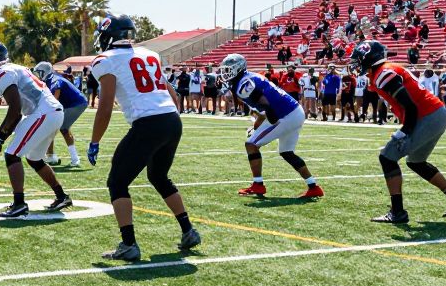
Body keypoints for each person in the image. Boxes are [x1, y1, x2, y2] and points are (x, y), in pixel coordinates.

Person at [87, 14, 200, 261]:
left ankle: (129, 244)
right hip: (171, 119)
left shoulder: (105, 60)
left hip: (148, 123)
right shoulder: (150, 54)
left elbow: (105, 106)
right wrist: (168, 120)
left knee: (117, 182)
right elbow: (174, 96)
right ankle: (188, 230)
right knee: (158, 176)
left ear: (109, 36)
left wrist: (95, 141)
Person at [351, 40, 446, 223]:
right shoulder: (383, 70)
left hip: (427, 115)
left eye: (359, 59)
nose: (356, 63)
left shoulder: (383, 73)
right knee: (416, 162)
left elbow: (410, 106)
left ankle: (397, 212)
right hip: (436, 114)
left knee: (387, 157)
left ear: (369, 58)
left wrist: (405, 131)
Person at [0, 41, 71, 218]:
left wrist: (0, 136)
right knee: (34, 158)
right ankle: (61, 196)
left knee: (12, 155)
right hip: (51, 111)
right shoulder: (14, 68)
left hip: (44, 112)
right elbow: (18, 111)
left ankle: (19, 204)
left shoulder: (2, 73)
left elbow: (15, 109)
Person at [220, 54, 323, 199]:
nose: (225, 73)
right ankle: (314, 187)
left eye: (228, 70)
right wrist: (257, 128)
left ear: (238, 68)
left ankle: (258, 185)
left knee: (251, 144)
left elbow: (266, 106)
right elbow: (262, 112)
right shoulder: (249, 78)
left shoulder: (244, 84)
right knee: (287, 152)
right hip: (294, 111)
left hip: (284, 115)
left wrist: (271, 123)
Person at [33, 61, 87, 166]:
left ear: (44, 72)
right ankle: (53, 156)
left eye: (39, 73)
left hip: (76, 103)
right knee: (56, 128)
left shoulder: (53, 80)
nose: (38, 76)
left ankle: (69, 158)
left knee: (60, 128)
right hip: (72, 104)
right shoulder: (50, 79)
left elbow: (54, 98)